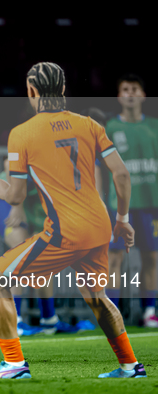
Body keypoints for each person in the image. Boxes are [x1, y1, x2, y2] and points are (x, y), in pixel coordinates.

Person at [0, 62, 146, 379]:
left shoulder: (21, 134)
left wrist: (1, 189)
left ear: (31, 91)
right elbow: (121, 174)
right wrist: (122, 218)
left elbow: (16, 196)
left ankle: (13, 364)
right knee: (96, 298)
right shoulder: (90, 124)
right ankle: (130, 366)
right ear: (64, 89)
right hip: (100, 226)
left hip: (65, 231)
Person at [0, 159, 95, 336]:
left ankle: (49, 320)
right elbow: (9, 165)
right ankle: (15, 322)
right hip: (8, 193)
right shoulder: (48, 145)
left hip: (32, 196)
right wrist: (16, 205)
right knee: (21, 252)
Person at [99, 74, 158, 327]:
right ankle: (113, 312)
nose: (130, 93)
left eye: (135, 89)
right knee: (114, 259)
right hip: (118, 203)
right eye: (125, 89)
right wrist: (101, 201)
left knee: (152, 257)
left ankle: (149, 312)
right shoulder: (110, 128)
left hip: (151, 203)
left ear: (143, 95)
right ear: (119, 96)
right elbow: (99, 168)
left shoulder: (154, 126)